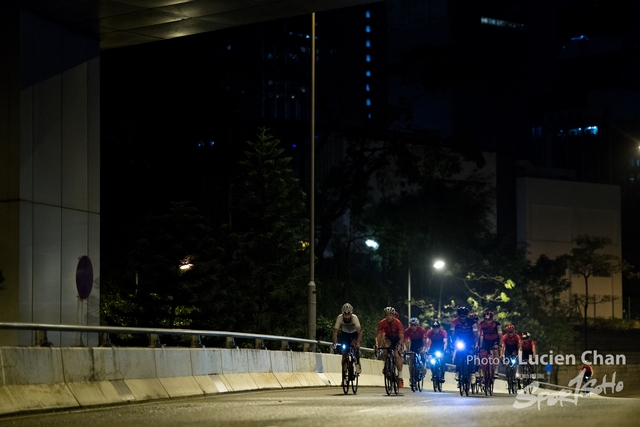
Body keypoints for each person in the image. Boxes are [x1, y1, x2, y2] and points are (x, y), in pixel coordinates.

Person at [374, 306, 406, 388]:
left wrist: (399, 346)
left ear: (394, 315)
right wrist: (377, 345)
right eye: (387, 315)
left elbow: (402, 337)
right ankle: (386, 365)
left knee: (396, 354)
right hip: (389, 338)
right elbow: (378, 336)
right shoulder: (382, 323)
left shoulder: (398, 323)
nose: (388, 317)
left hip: (397, 339)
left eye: (390, 315)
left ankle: (400, 377)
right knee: (385, 348)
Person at [332, 303, 363, 378]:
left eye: (348, 315)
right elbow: (335, 332)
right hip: (345, 334)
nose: (346, 317)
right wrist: (334, 342)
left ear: (351, 314)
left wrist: (358, 343)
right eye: (345, 315)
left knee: (355, 347)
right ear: (342, 314)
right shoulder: (339, 318)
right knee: (344, 352)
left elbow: (360, 332)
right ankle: (344, 375)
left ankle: (357, 362)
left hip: (354, 334)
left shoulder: (354, 318)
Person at [450, 306, 479, 382]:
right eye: (460, 317)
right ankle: (458, 371)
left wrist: (475, 344)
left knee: (471, 355)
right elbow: (453, 334)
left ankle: (472, 373)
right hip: (460, 340)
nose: (462, 318)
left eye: (464, 316)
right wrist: (453, 343)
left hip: (470, 340)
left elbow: (476, 336)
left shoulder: (473, 323)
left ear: (466, 316)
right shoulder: (454, 322)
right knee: (458, 354)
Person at [478, 310, 502, 378]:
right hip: (485, 340)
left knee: (495, 351)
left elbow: (500, 336)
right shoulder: (481, 324)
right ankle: (483, 370)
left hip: (495, 340)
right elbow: (478, 335)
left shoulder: (497, 324)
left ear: (492, 319)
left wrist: (500, 345)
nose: (488, 321)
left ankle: (496, 370)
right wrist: (478, 345)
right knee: (482, 353)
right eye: (486, 319)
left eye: (489, 320)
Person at [404, 317, 428, 382]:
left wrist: (423, 349)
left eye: (414, 325)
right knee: (411, 360)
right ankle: (411, 376)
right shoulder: (407, 331)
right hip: (413, 344)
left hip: (421, 344)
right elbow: (405, 342)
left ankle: (423, 369)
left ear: (417, 325)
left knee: (422, 357)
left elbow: (425, 343)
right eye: (411, 325)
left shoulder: (422, 330)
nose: (413, 327)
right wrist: (405, 349)